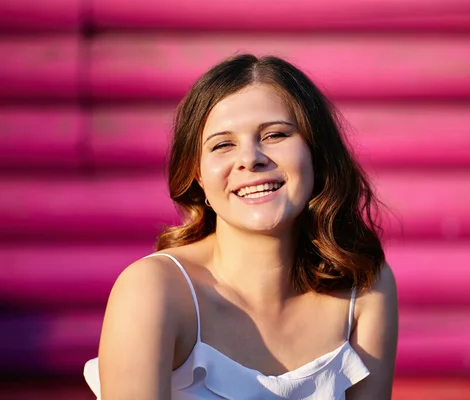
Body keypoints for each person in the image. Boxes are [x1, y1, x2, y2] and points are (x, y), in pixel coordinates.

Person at [83, 54, 398, 399]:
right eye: (223, 145)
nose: (250, 158)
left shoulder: (366, 286)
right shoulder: (154, 289)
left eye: (275, 134)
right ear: (198, 177)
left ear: (318, 155)